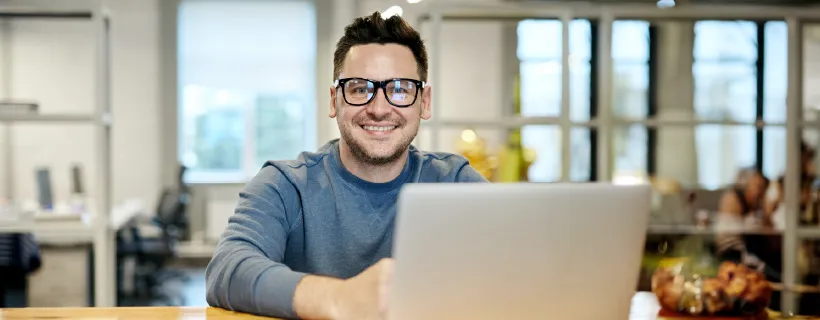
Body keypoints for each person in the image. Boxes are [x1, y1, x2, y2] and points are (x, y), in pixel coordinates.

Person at [205, 11, 488, 320]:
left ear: (425, 102)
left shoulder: (455, 184)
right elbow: (228, 269)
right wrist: (340, 298)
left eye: (400, 89)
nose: (379, 109)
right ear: (333, 100)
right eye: (359, 88)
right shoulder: (285, 185)